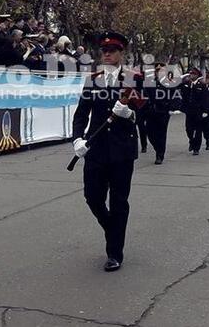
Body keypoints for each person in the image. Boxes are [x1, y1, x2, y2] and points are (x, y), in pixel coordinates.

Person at [71, 31, 144, 272]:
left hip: (122, 150)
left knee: (119, 201)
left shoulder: (134, 78)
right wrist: (77, 139)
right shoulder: (94, 79)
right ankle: (112, 229)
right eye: (104, 50)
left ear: (122, 53)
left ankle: (114, 253)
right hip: (96, 148)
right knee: (92, 196)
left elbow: (149, 109)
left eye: (113, 50)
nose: (108, 54)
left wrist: (131, 115)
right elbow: (81, 113)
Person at [145, 64, 182, 164]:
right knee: (150, 133)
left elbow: (176, 96)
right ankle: (157, 148)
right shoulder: (149, 83)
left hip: (163, 112)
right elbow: (143, 95)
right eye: (157, 71)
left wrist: (173, 108)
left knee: (161, 133)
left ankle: (160, 155)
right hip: (151, 112)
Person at [181, 68, 207, 155]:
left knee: (198, 130)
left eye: (193, 74)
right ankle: (191, 141)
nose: (191, 75)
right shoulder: (185, 84)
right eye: (190, 74)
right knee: (188, 129)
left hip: (198, 111)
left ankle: (196, 148)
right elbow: (183, 96)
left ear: (197, 75)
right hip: (189, 111)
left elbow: (204, 99)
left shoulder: (202, 85)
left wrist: (204, 111)